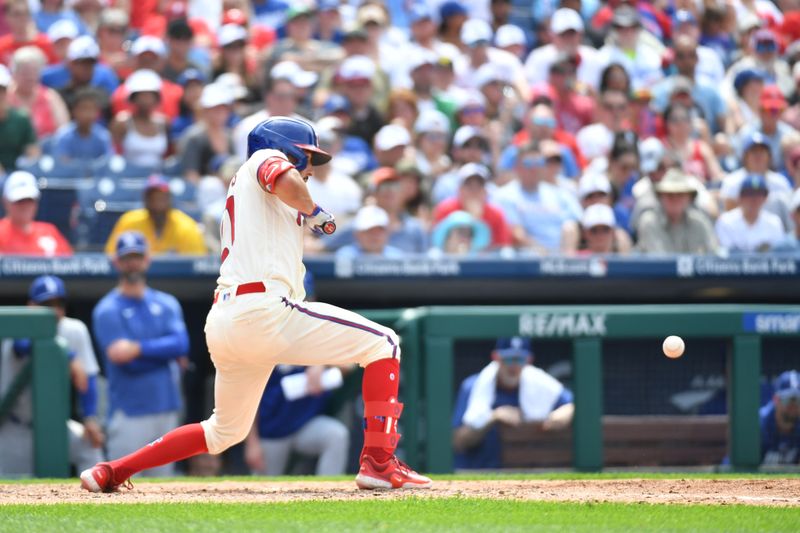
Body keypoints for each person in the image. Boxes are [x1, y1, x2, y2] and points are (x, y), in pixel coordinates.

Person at [80, 116, 431, 492]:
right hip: (262, 309)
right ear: (287, 147)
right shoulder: (264, 158)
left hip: (228, 321)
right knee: (384, 343)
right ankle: (379, 462)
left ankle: (113, 470)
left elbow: (286, 198)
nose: (311, 167)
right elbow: (285, 177)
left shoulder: (262, 199)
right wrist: (317, 215)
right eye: (307, 156)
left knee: (222, 432)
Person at [91, 231, 190, 477]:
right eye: (127, 258)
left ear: (147, 259)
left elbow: (181, 344)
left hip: (166, 408)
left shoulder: (167, 303)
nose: (132, 262)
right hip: (129, 412)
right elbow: (121, 359)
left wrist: (137, 349)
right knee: (119, 483)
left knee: (162, 490)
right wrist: (162, 353)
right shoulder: (108, 309)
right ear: (117, 262)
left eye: (137, 256)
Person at [0, 275, 105, 476]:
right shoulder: (17, 326)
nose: (54, 310)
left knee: (90, 448)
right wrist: (68, 356)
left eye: (59, 304)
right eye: (46, 304)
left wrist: (90, 417)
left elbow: (89, 378)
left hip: (55, 425)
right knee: (11, 493)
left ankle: (101, 502)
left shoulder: (74, 329)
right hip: (15, 427)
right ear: (31, 306)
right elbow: (22, 346)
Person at [452, 337, 574, 469]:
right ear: (496, 358)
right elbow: (458, 442)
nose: (513, 366)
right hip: (478, 472)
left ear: (528, 361)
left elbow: (575, 404)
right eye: (508, 359)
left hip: (526, 474)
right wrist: (492, 417)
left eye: (520, 359)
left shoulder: (540, 384)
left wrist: (568, 411)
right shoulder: (473, 386)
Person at [244, 364, 350, 476]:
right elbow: (248, 399)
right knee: (262, 486)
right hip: (271, 431)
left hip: (304, 423)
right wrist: (252, 443)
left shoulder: (312, 348)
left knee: (336, 435)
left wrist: (322, 364)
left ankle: (330, 490)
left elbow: (349, 365)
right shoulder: (263, 351)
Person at [104, 175, 207, 256]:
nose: (157, 201)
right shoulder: (129, 222)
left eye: (162, 197)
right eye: (152, 196)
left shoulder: (186, 226)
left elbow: (197, 264)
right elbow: (111, 257)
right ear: (145, 200)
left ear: (170, 198)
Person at [635, 169, 718, 254]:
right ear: (661, 197)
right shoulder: (650, 221)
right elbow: (659, 262)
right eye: (670, 194)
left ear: (689, 198)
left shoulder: (699, 221)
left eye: (680, 194)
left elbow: (713, 255)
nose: (675, 199)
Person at [0, 170, 72, 256]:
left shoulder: (49, 231)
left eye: (30, 200)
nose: (25, 206)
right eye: (19, 201)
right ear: (6, 202)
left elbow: (70, 264)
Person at [7, 45, 69, 139]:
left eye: (34, 71)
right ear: (14, 73)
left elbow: (64, 130)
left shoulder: (50, 96)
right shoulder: (5, 97)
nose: (30, 76)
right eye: (25, 72)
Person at [715, 173, 784, 253]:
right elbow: (725, 254)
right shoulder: (725, 221)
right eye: (749, 194)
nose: (754, 199)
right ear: (740, 197)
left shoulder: (774, 222)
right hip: (734, 265)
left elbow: (778, 256)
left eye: (759, 195)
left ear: (765, 198)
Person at [50, 87, 113, 161]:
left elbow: (108, 162)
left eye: (91, 109)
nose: (88, 114)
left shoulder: (103, 136)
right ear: (74, 111)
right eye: (84, 108)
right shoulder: (63, 136)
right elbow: (61, 163)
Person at [760, 371, 800, 465]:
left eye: (798, 400)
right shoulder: (758, 425)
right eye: (788, 399)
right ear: (776, 399)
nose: (793, 405)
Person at [336, 205, 405, 259]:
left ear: (388, 233)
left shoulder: (397, 257)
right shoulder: (344, 256)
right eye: (369, 231)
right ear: (357, 234)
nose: (375, 236)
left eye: (380, 231)